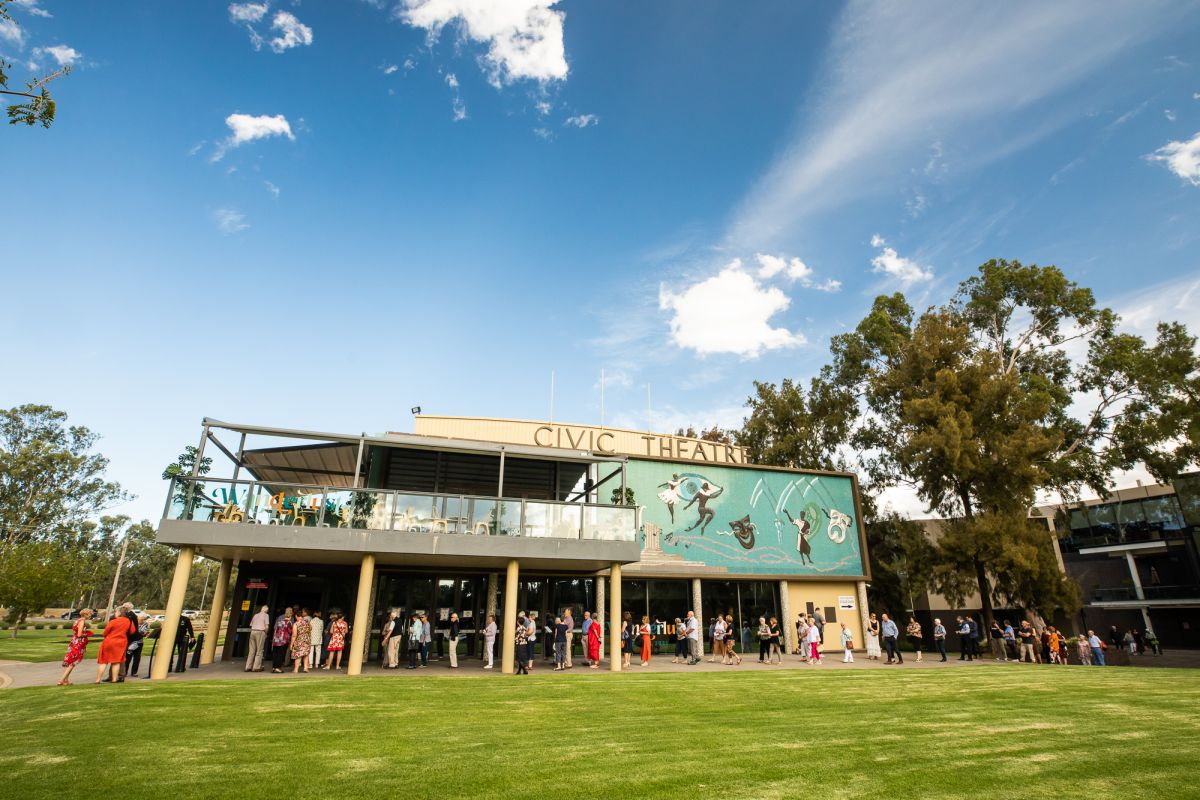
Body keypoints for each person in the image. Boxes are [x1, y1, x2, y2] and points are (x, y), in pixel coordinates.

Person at [96, 608, 135, 683]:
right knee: (116, 661)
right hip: (121, 642)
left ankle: (97, 680)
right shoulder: (129, 621)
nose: (115, 613)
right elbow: (132, 631)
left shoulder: (113, 621)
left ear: (120, 613)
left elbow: (105, 632)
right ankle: (114, 679)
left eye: (116, 612)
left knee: (104, 661)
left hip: (109, 641)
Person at [58, 608, 93, 685]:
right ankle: (61, 680)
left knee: (72, 661)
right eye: (90, 614)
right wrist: (87, 634)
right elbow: (79, 634)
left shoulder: (77, 620)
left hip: (74, 642)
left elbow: (76, 632)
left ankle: (66, 680)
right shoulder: (82, 621)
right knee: (73, 662)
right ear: (86, 614)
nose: (91, 615)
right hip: (78, 644)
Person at [246, 605, 270, 672]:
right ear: (266, 610)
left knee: (251, 651)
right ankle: (256, 667)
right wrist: (266, 633)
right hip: (260, 632)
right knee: (259, 650)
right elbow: (266, 626)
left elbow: (251, 625)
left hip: (253, 631)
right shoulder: (266, 615)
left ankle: (248, 667)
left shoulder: (255, 615)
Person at [124, 612, 148, 679]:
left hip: (139, 643)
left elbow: (142, 633)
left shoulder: (145, 624)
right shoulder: (133, 623)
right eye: (140, 619)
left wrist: (139, 633)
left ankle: (134, 672)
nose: (142, 621)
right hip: (131, 643)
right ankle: (125, 672)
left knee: (137, 658)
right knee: (128, 658)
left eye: (143, 619)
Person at [271, 607, 294, 673]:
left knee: (275, 654)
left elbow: (275, 627)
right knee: (281, 654)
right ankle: (278, 668)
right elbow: (290, 631)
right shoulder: (289, 622)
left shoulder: (279, 618)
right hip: (283, 640)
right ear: (291, 613)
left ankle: (274, 667)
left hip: (276, 639)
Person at [290, 608, 312, 673]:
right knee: (306, 654)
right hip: (307, 640)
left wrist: (291, 644)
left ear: (296, 616)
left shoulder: (296, 624)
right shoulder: (307, 622)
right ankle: (305, 668)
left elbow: (294, 635)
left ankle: (296, 669)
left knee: (298, 655)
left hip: (299, 641)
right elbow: (310, 629)